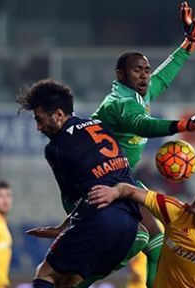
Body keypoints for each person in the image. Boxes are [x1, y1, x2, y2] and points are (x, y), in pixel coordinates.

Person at [91, 2, 195, 286]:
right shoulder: (120, 103)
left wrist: (189, 42)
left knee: (157, 238)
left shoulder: (141, 93)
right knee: (138, 240)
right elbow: (143, 125)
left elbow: (166, 73)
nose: (145, 75)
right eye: (138, 70)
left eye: (146, 70)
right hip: (100, 180)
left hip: (120, 178)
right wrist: (185, 125)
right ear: (120, 75)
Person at [16, 78, 145, 288]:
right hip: (130, 227)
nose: (38, 127)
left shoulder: (56, 148)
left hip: (101, 220)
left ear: (59, 114)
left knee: (46, 273)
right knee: (71, 282)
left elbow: (75, 198)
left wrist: (63, 229)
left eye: (39, 120)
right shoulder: (100, 125)